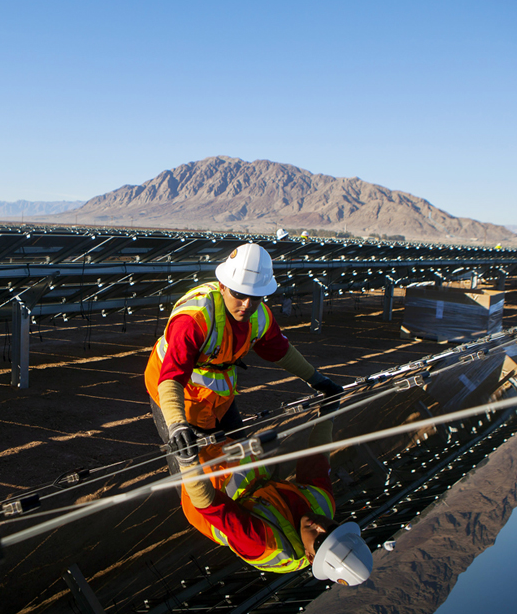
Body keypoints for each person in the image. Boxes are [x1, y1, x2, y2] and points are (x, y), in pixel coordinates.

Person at [144, 242, 344, 466]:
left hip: (218, 396)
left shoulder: (260, 317)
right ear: (222, 286)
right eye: (239, 294)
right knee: (191, 463)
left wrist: (319, 381)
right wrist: (177, 425)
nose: (247, 304)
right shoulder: (194, 319)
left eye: (256, 296)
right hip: (175, 391)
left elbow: (282, 352)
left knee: (240, 456)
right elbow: (172, 376)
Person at [177, 419, 373, 584]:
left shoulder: (266, 545)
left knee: (184, 414)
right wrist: (329, 411)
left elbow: (211, 506)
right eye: (332, 528)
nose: (321, 526)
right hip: (242, 461)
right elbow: (318, 458)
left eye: (320, 539)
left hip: (207, 487)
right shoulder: (323, 506)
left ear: (310, 557)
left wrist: (188, 461)